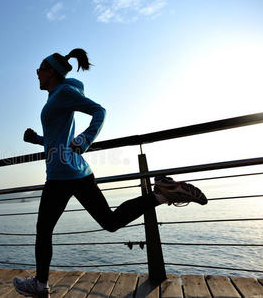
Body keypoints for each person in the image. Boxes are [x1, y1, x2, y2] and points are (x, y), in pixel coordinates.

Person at [13, 49, 207, 297]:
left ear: (50, 71)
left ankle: (40, 285)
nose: (36, 74)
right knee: (110, 222)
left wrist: (84, 140)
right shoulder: (55, 97)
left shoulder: (63, 93)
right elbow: (57, 140)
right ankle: (162, 195)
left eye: (39, 70)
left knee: (44, 229)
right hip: (74, 172)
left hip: (62, 176)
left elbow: (99, 111)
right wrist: (37, 140)